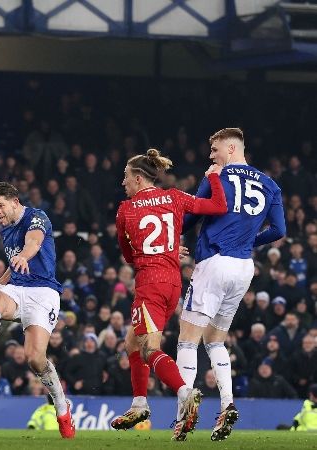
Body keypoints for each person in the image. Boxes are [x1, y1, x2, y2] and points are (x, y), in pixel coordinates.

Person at [110, 148, 226, 441]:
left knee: (149, 349)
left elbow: (128, 256)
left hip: (150, 283)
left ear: (137, 178)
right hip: (173, 282)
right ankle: (139, 404)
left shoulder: (126, 209)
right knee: (132, 343)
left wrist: (154, 253)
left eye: (125, 177)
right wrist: (213, 178)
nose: (123, 182)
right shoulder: (175, 196)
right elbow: (217, 206)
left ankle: (186, 393)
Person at [179, 128, 285, 441]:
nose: (211, 156)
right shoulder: (270, 184)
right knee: (215, 339)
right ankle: (227, 404)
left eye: (214, 149)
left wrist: (174, 238)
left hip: (213, 262)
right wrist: (251, 240)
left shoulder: (217, 176)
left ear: (230, 147)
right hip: (243, 267)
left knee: (187, 339)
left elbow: (192, 217)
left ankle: (183, 414)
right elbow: (278, 229)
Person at [0, 182, 75, 439]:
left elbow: (34, 242)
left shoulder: (37, 217)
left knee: (34, 358)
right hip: (18, 289)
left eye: (0, 206)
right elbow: (14, 263)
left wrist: (25, 256)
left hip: (43, 292)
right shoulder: (4, 228)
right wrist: (0, 283)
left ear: (14, 202)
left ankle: (62, 409)